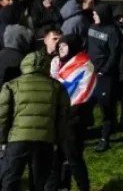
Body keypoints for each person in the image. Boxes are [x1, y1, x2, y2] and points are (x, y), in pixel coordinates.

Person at [0, 50, 70, 191]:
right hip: (45, 140)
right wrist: (57, 139)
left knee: (9, 180)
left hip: (17, 139)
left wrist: (2, 139)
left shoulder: (11, 85)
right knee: (40, 182)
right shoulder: (57, 87)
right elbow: (63, 117)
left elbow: (2, 115)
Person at [47, 34, 97, 191]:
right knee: (55, 159)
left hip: (73, 118)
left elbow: (84, 92)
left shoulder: (85, 66)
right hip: (57, 117)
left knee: (73, 157)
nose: (61, 48)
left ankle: (83, 187)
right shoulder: (56, 63)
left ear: (73, 47)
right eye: (59, 46)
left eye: (65, 45)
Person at [88, 3, 122, 153]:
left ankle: (105, 138)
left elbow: (115, 54)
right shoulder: (92, 27)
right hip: (91, 72)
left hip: (106, 75)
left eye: (96, 14)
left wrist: (104, 71)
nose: (93, 16)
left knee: (106, 106)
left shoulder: (113, 31)